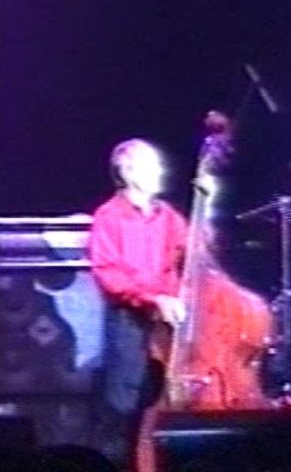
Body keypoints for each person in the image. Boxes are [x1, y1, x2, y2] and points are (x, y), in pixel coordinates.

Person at [88, 139, 187, 470]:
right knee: (124, 407)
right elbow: (108, 273)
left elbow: (193, 254)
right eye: (152, 165)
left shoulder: (169, 216)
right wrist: (153, 298)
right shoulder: (109, 216)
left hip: (169, 322)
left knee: (163, 404)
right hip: (129, 321)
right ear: (128, 172)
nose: (161, 171)